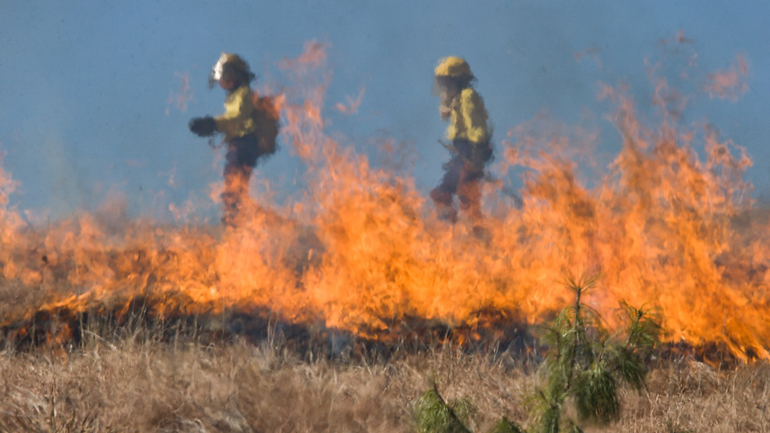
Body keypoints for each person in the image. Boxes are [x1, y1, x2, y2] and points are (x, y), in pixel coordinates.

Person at [189, 53, 280, 226]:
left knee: (234, 186)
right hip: (240, 144)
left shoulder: (244, 94)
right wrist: (214, 125)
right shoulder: (236, 95)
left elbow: (236, 118)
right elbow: (233, 119)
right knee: (234, 186)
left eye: (225, 76)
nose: (222, 82)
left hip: (245, 144)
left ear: (234, 75)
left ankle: (236, 219)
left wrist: (213, 124)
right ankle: (238, 217)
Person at [430, 56, 492, 224]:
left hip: (472, 151)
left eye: (447, 82)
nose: (444, 87)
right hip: (463, 153)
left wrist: (476, 158)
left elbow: (477, 128)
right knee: (444, 193)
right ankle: (452, 225)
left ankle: (475, 230)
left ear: (458, 81)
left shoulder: (467, 97)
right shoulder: (457, 100)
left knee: (464, 193)